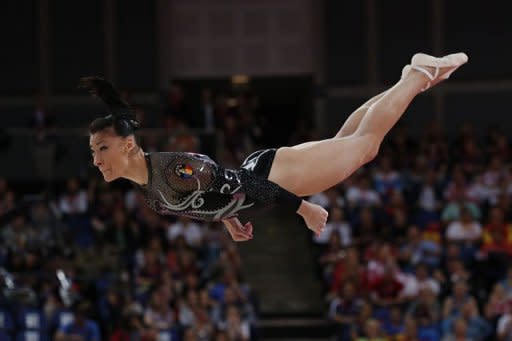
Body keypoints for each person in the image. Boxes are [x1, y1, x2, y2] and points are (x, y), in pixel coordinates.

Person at [84, 52, 468, 242]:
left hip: (271, 176)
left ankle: (418, 75)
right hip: (263, 177)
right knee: (349, 144)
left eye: (102, 148)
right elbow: (216, 192)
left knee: (365, 147)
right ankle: (409, 80)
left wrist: (303, 209)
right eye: (93, 151)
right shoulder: (148, 190)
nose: (96, 159)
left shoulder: (173, 169)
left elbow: (240, 183)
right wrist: (227, 218)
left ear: (129, 146)